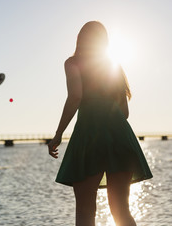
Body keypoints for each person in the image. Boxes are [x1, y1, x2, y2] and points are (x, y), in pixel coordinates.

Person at [48, 21, 153, 226]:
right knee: (121, 210)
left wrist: (58, 133)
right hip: (120, 136)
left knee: (86, 212)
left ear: (80, 39)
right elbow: (125, 112)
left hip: (89, 136)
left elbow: (75, 97)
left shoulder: (73, 63)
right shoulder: (114, 64)